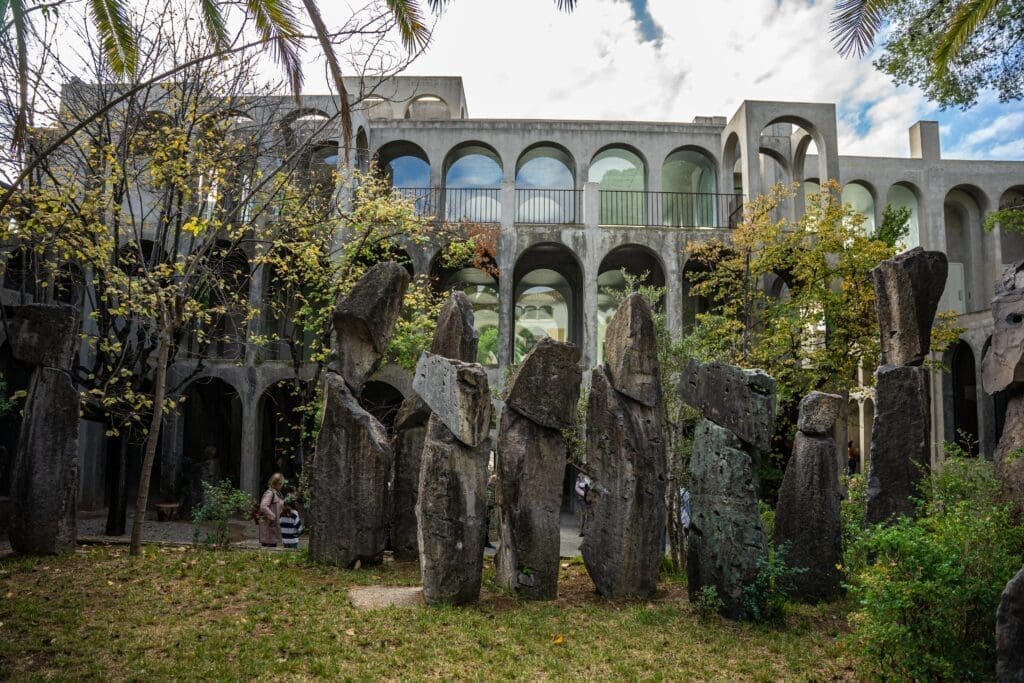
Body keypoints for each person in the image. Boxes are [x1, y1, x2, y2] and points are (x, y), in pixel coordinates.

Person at [258, 472, 285, 548]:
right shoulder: (270, 493)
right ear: (277, 483)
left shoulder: (277, 493)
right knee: (269, 548)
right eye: (281, 483)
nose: (282, 485)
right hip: (269, 528)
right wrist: (273, 517)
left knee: (273, 546)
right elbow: (263, 506)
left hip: (273, 527)